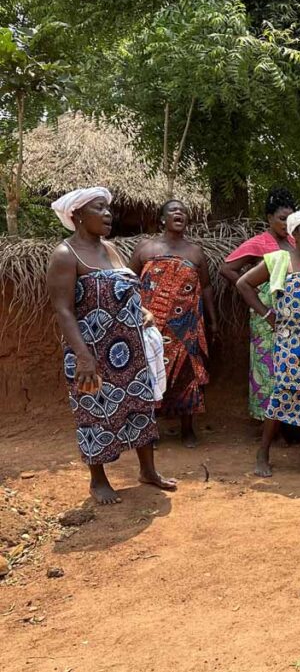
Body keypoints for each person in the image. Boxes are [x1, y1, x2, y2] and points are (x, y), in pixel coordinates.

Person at [45, 187, 177, 504]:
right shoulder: (65, 255)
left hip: (129, 349)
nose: (108, 214)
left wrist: (142, 310)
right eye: (99, 208)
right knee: (93, 412)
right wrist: (83, 357)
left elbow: (126, 289)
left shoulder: (112, 250)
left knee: (139, 405)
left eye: (108, 208)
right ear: (77, 216)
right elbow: (63, 310)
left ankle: (148, 471)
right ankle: (98, 479)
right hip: (91, 350)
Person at [235, 210, 300, 477]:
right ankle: (263, 452)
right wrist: (268, 314)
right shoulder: (279, 260)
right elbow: (244, 284)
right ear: (294, 234)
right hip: (291, 344)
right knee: (282, 394)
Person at [130, 199, 217, 447]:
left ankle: (187, 430)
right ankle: (150, 429)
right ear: (162, 219)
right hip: (150, 325)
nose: (179, 213)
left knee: (187, 375)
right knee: (149, 372)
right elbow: (128, 282)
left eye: (183, 211)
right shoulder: (145, 248)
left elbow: (207, 288)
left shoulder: (195, 252)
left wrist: (213, 321)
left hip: (187, 328)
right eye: (173, 211)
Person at [220, 187, 296, 421]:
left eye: (291, 219)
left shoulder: (295, 241)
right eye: (282, 219)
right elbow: (226, 269)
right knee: (267, 365)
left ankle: (289, 419)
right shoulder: (259, 243)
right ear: (269, 218)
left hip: (292, 314)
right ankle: (267, 419)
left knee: (292, 364)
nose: (286, 224)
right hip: (266, 314)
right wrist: (258, 293)